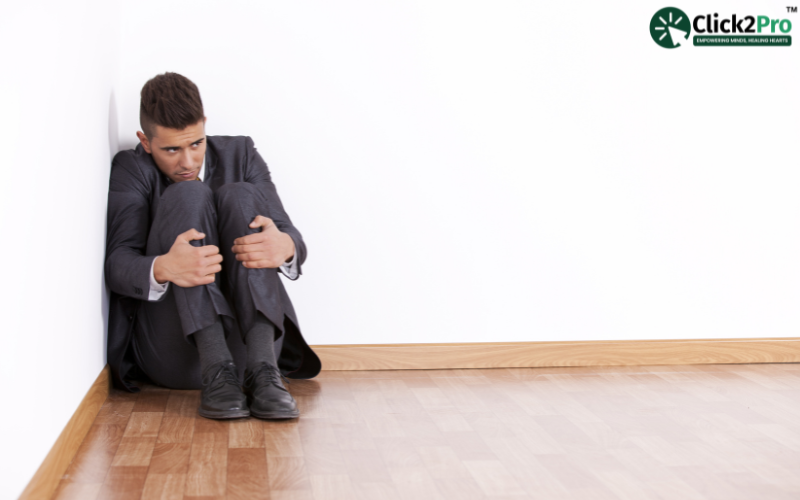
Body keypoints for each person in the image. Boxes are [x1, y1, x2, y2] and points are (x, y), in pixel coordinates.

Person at [104, 72, 320, 420]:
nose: (187, 162)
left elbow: (288, 235)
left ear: (204, 126)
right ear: (145, 141)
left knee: (240, 194)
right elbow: (117, 263)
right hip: (177, 351)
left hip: (252, 347)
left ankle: (265, 373)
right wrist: (164, 267)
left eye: (196, 144)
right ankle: (216, 367)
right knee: (188, 194)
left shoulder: (242, 153)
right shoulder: (133, 169)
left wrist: (285, 245)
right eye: (171, 149)